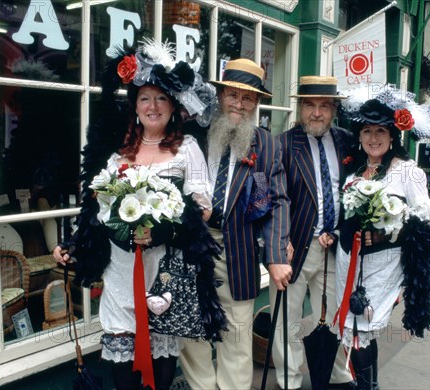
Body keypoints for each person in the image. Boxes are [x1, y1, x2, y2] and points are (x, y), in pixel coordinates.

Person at [52, 40, 227, 390]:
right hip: (119, 272)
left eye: (161, 98)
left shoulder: (186, 149)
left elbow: (202, 211)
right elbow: (97, 212)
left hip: (162, 270)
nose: (153, 106)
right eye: (145, 98)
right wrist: (74, 245)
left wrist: (164, 231)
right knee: (123, 369)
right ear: (134, 106)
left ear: (173, 106)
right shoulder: (119, 156)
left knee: (160, 366)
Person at [178, 58, 292, 390]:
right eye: (232, 95)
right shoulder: (192, 134)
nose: (238, 104)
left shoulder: (267, 145)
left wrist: (275, 256)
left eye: (247, 98)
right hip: (194, 244)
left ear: (256, 104)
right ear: (220, 95)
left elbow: (278, 203)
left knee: (238, 332)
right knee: (192, 327)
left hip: (239, 248)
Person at [335, 85, 430, 389]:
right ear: (359, 135)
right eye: (367, 130)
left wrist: (387, 232)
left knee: (363, 325)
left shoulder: (406, 171)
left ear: (393, 135)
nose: (373, 138)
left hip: (384, 264)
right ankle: (369, 385)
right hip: (347, 260)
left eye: (381, 131)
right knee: (353, 327)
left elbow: (428, 221)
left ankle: (367, 386)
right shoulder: (353, 170)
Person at [274, 76, 354, 389]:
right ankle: (289, 381)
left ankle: (338, 376)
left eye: (324, 106)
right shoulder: (282, 143)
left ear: (334, 110)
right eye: (310, 105)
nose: (316, 113)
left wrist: (339, 229)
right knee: (287, 321)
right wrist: (280, 244)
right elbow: (274, 199)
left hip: (334, 246)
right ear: (299, 107)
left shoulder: (347, 140)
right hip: (295, 247)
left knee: (337, 315)